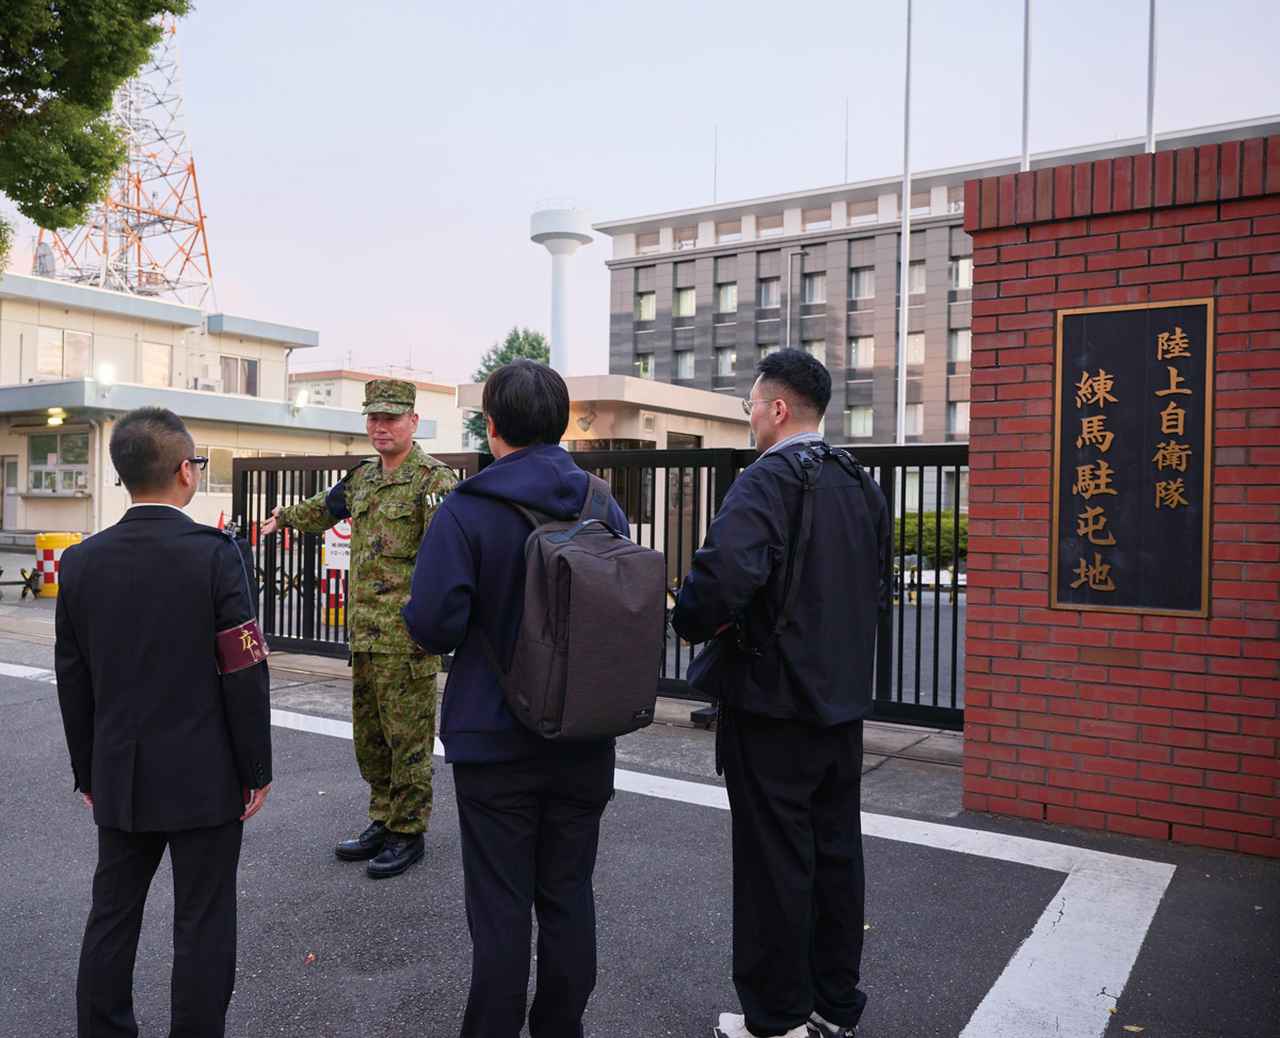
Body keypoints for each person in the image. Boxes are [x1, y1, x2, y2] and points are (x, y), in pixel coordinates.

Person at [402, 358, 630, 1038]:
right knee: (567, 894)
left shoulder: (469, 508)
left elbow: (435, 623)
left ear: (490, 426)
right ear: (560, 423)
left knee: (500, 908)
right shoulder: (600, 502)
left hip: (494, 737)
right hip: (584, 731)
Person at [672, 349, 891, 1038]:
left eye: (749, 408)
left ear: (776, 408)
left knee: (774, 866)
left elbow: (721, 578)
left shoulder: (768, 481)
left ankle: (777, 1018)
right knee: (834, 855)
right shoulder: (860, 482)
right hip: (841, 704)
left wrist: (690, 619)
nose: (748, 421)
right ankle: (834, 1003)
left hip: (772, 705)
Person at [55, 406, 273, 1038]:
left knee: (113, 914)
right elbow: (242, 668)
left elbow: (74, 678)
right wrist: (255, 766)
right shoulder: (215, 556)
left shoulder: (82, 561)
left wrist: (87, 769)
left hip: (119, 769)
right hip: (206, 774)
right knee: (203, 918)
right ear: (185, 471)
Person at [261, 378, 456, 878]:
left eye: (391, 418)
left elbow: (444, 561)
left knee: (407, 739)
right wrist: (282, 518)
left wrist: (429, 627)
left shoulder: (434, 482)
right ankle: (382, 817)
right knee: (370, 738)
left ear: (414, 421)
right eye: (373, 417)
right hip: (365, 636)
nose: (380, 426)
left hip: (406, 640)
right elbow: (325, 509)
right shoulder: (364, 478)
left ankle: (408, 831)